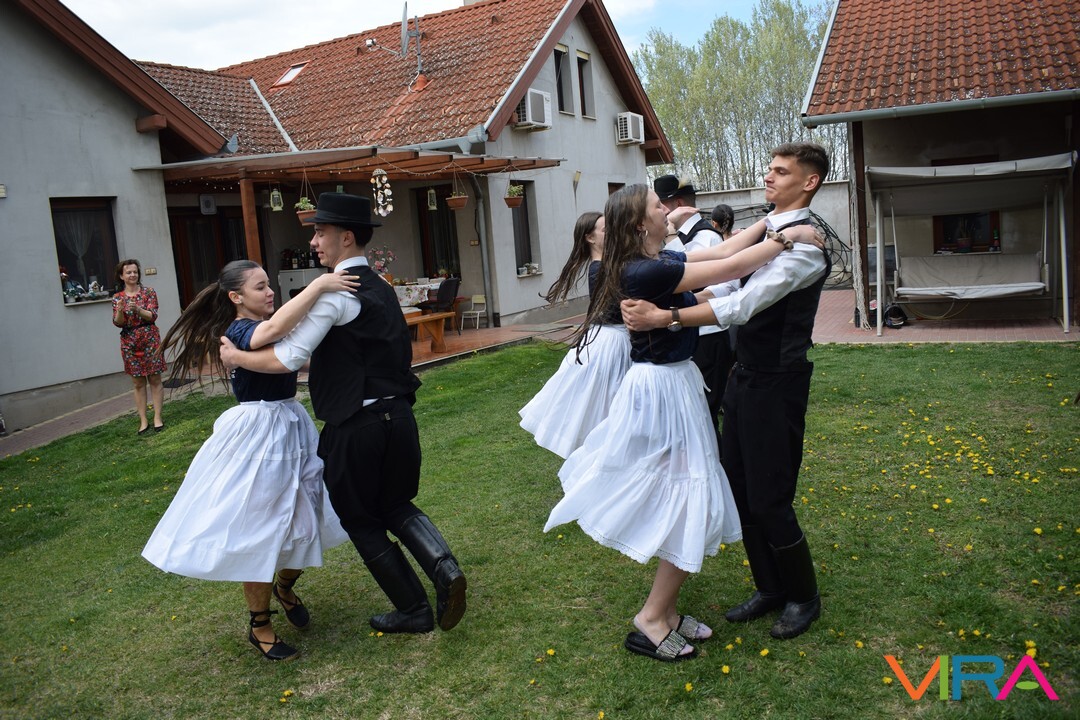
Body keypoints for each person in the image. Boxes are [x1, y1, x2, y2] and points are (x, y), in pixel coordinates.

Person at [544, 184, 821, 663]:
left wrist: (773, 220)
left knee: (693, 495)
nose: (668, 211)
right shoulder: (644, 269)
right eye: (658, 207)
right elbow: (731, 266)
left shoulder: (656, 259)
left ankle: (666, 612)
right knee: (693, 497)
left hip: (673, 383)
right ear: (641, 223)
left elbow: (727, 252)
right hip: (661, 391)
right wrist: (786, 238)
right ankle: (652, 618)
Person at [219, 192, 467, 636]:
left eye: (320, 232)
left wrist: (236, 359)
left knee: (358, 518)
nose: (313, 241)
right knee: (395, 504)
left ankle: (414, 609)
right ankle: (446, 570)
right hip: (400, 419)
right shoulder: (384, 288)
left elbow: (288, 358)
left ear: (346, 237)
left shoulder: (336, 294)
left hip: (358, 427)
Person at [622, 142, 832, 640]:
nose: (768, 177)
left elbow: (746, 304)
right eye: (770, 168)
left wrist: (667, 317)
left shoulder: (806, 244)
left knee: (770, 496)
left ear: (809, 182)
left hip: (778, 381)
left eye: (781, 172)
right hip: (744, 376)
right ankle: (769, 588)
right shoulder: (772, 229)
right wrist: (688, 296)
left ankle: (803, 596)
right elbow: (729, 285)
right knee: (737, 487)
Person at [143, 261, 358, 661]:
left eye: (269, 284)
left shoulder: (267, 325)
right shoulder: (240, 330)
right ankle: (260, 626)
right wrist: (319, 286)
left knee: (308, 518)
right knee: (259, 530)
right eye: (260, 287)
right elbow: (272, 333)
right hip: (258, 436)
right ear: (236, 297)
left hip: (292, 425)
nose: (270, 291)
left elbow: (294, 356)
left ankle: (284, 587)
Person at [519, 211, 632, 458]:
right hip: (611, 341)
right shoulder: (599, 269)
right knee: (606, 402)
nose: (613, 233)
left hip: (610, 338)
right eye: (606, 230)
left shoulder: (607, 266)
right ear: (590, 238)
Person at [653, 176, 733, 437]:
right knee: (690, 413)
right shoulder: (682, 237)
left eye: (661, 205)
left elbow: (688, 278)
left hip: (707, 334)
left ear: (677, 205)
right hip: (691, 331)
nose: (659, 212)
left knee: (704, 412)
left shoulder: (705, 237)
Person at [111, 259, 166, 434]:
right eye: (128, 272)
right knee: (138, 382)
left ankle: (157, 417)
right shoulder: (117, 298)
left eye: (135, 272)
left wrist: (138, 310)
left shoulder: (149, 292)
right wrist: (120, 310)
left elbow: (153, 315)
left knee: (155, 379)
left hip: (150, 338)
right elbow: (118, 323)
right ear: (121, 276)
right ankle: (143, 420)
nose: (132, 275)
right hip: (130, 342)